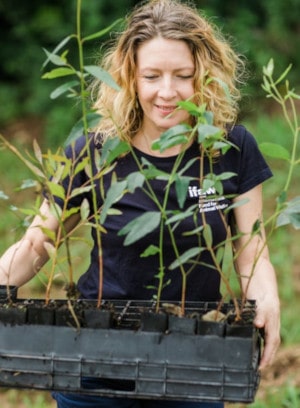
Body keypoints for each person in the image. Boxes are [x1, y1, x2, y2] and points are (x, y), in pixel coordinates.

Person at [0, 0, 280, 407]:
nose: (167, 92)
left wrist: (268, 300)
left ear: (204, 74)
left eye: (183, 76)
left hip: (195, 359)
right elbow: (36, 245)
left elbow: (251, 248)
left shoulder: (229, 148)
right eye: (151, 76)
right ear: (129, 77)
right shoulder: (94, 152)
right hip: (96, 363)